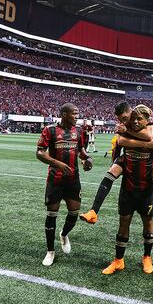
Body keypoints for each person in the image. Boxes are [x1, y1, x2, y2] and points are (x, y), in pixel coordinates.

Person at [102, 105, 153, 274]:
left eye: (127, 118)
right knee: (123, 223)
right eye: (122, 120)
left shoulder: (147, 124)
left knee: (148, 223)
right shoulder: (123, 128)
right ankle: (118, 260)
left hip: (146, 188)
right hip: (128, 186)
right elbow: (120, 144)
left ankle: (147, 257)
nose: (130, 121)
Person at [80, 102, 153, 230]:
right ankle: (93, 211)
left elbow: (149, 136)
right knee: (111, 171)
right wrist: (142, 142)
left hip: (149, 157)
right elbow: (121, 141)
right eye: (121, 120)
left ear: (131, 112)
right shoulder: (123, 124)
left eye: (125, 118)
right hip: (130, 156)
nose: (123, 122)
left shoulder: (143, 115)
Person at [35, 103, 93, 266]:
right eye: (74, 114)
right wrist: (58, 164)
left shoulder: (79, 131)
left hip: (73, 179)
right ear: (64, 114)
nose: (77, 116)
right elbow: (39, 153)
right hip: (55, 179)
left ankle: (64, 234)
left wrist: (87, 159)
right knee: (51, 215)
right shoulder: (50, 130)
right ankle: (50, 251)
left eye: (77, 114)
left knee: (74, 213)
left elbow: (81, 151)